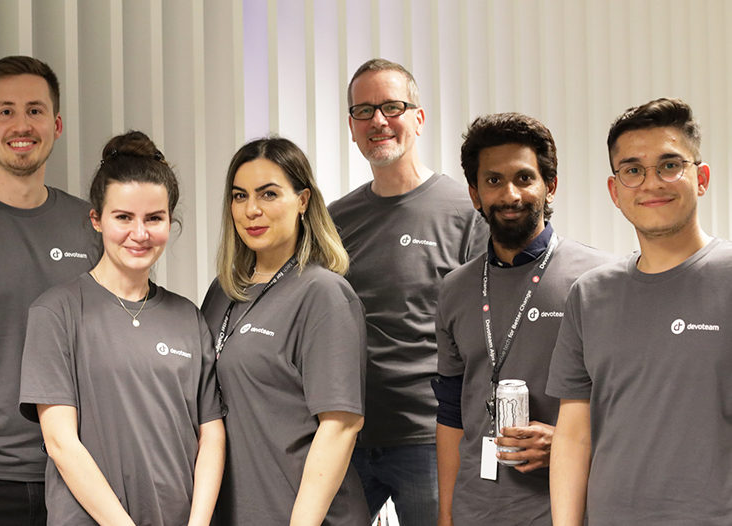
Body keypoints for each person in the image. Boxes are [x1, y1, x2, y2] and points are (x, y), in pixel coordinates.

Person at [19, 131, 225, 525]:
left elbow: (211, 435)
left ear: (170, 221)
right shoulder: (56, 312)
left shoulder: (188, 317)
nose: (140, 233)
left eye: (154, 218)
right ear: (96, 219)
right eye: (123, 217)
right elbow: (61, 442)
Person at [547, 98, 732, 524]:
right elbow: (574, 437)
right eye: (632, 170)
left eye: (670, 165)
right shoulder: (589, 295)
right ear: (615, 191)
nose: (651, 183)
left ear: (700, 178)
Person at [434, 113, 617, 526]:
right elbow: (449, 413)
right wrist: (446, 513)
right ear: (475, 194)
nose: (510, 194)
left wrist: (569, 443)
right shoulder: (455, 289)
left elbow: (630, 406)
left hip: (566, 507)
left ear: (549, 186)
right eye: (493, 181)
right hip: (475, 508)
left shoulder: (599, 280)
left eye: (524, 178)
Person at [327, 58, 488, 523]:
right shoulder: (336, 221)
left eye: (391, 106)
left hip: (430, 437)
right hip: (351, 433)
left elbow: (484, 330)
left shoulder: (466, 210)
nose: (377, 121)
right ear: (352, 127)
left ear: (418, 118)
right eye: (363, 111)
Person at [0, 55, 99, 526]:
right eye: (5, 111)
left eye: (34, 110)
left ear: (56, 124)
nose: (21, 124)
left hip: (77, 474)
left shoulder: (91, 226)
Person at [201, 136, 370, 526]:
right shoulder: (222, 291)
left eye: (269, 194)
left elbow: (341, 426)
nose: (252, 210)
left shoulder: (324, 294)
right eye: (240, 196)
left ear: (303, 200)